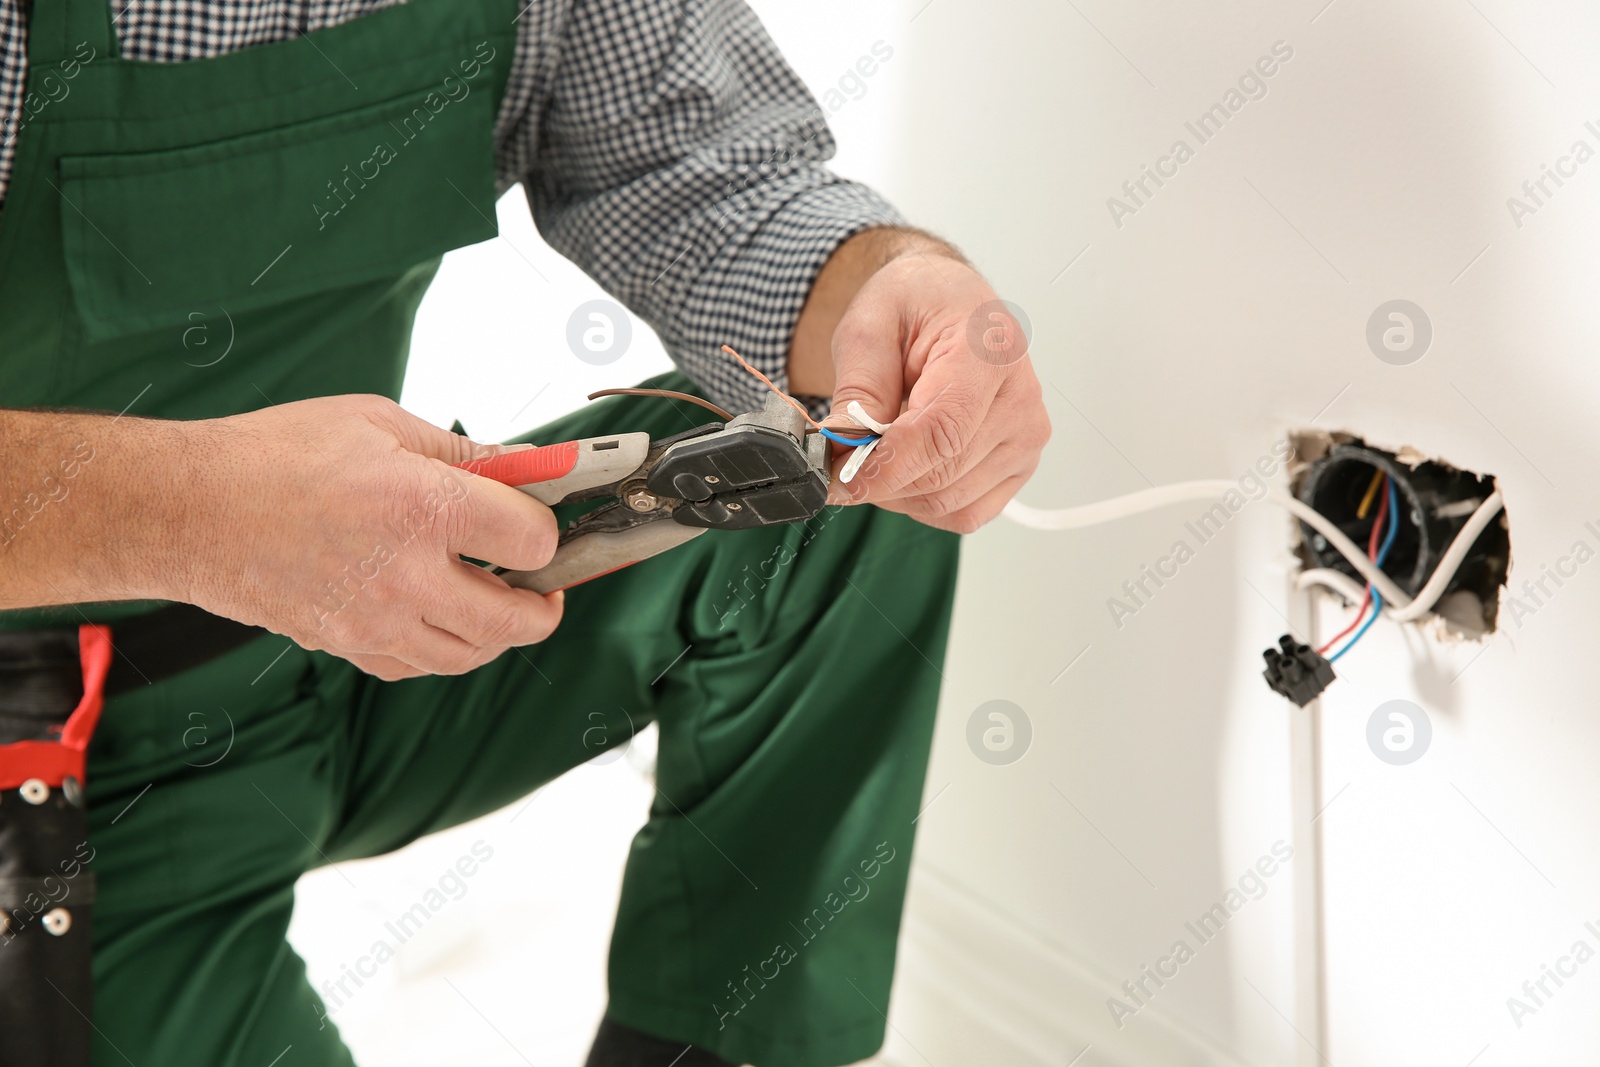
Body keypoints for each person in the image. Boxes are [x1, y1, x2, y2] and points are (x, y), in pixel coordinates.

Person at [0, 0, 1048, 1063]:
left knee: (838, 493)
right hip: (54, 754)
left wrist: (893, 287)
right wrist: (196, 514)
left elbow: (709, 173)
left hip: (351, 639)